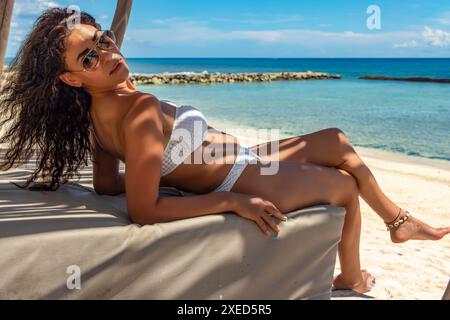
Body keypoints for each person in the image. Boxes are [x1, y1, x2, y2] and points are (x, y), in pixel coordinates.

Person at [0, 8, 448, 294]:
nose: (107, 53)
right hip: (240, 177)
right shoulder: (137, 109)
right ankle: (350, 278)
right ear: (72, 79)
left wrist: (160, 172)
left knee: (335, 139)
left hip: (245, 157)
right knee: (346, 187)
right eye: (89, 58)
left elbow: (103, 183)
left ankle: (399, 222)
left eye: (102, 40)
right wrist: (229, 199)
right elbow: (142, 209)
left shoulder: (99, 112)